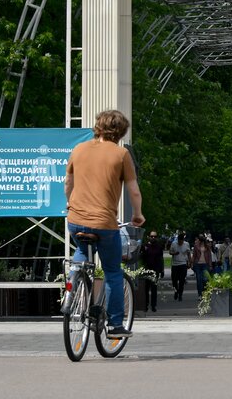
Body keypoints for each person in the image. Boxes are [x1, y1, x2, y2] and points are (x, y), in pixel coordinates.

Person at [64, 109, 144, 338]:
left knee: (81, 251)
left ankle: (73, 285)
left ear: (98, 126)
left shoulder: (78, 150)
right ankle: (115, 325)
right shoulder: (121, 155)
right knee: (112, 272)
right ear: (121, 132)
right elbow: (134, 191)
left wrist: (69, 204)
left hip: (75, 220)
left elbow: (68, 181)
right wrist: (138, 214)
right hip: (104, 223)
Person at [141, 230, 166, 312]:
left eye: (155, 236)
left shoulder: (158, 247)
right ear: (149, 237)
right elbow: (142, 257)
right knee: (146, 289)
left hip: (155, 270)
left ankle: (153, 305)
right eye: (152, 236)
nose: (153, 238)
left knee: (154, 289)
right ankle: (145, 305)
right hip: (147, 270)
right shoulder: (145, 246)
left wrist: (162, 270)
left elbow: (161, 259)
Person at [169, 231, 191, 300]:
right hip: (175, 264)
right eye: (179, 241)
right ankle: (176, 291)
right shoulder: (174, 244)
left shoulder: (186, 244)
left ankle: (180, 294)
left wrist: (190, 262)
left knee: (182, 280)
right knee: (174, 280)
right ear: (177, 240)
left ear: (183, 240)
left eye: (181, 242)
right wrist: (174, 253)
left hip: (183, 264)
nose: (180, 243)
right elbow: (170, 252)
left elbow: (188, 254)